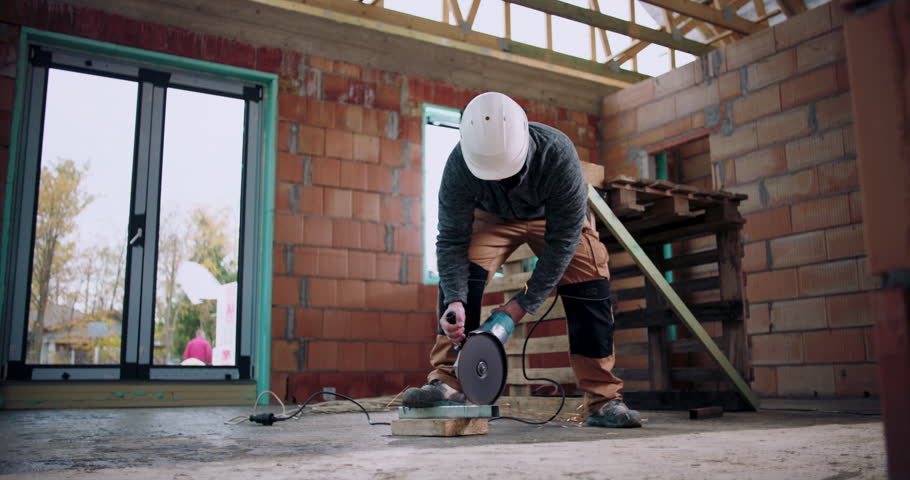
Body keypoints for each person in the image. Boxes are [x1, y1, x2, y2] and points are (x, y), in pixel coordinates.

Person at [401, 92, 641, 428]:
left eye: (507, 172)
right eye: (491, 174)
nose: (500, 180)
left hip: (552, 218)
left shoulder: (558, 153)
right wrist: (454, 298)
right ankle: (448, 382)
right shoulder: (458, 165)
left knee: (589, 279)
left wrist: (520, 306)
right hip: (491, 218)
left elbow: (563, 242)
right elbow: (452, 240)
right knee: (460, 278)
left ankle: (603, 399)